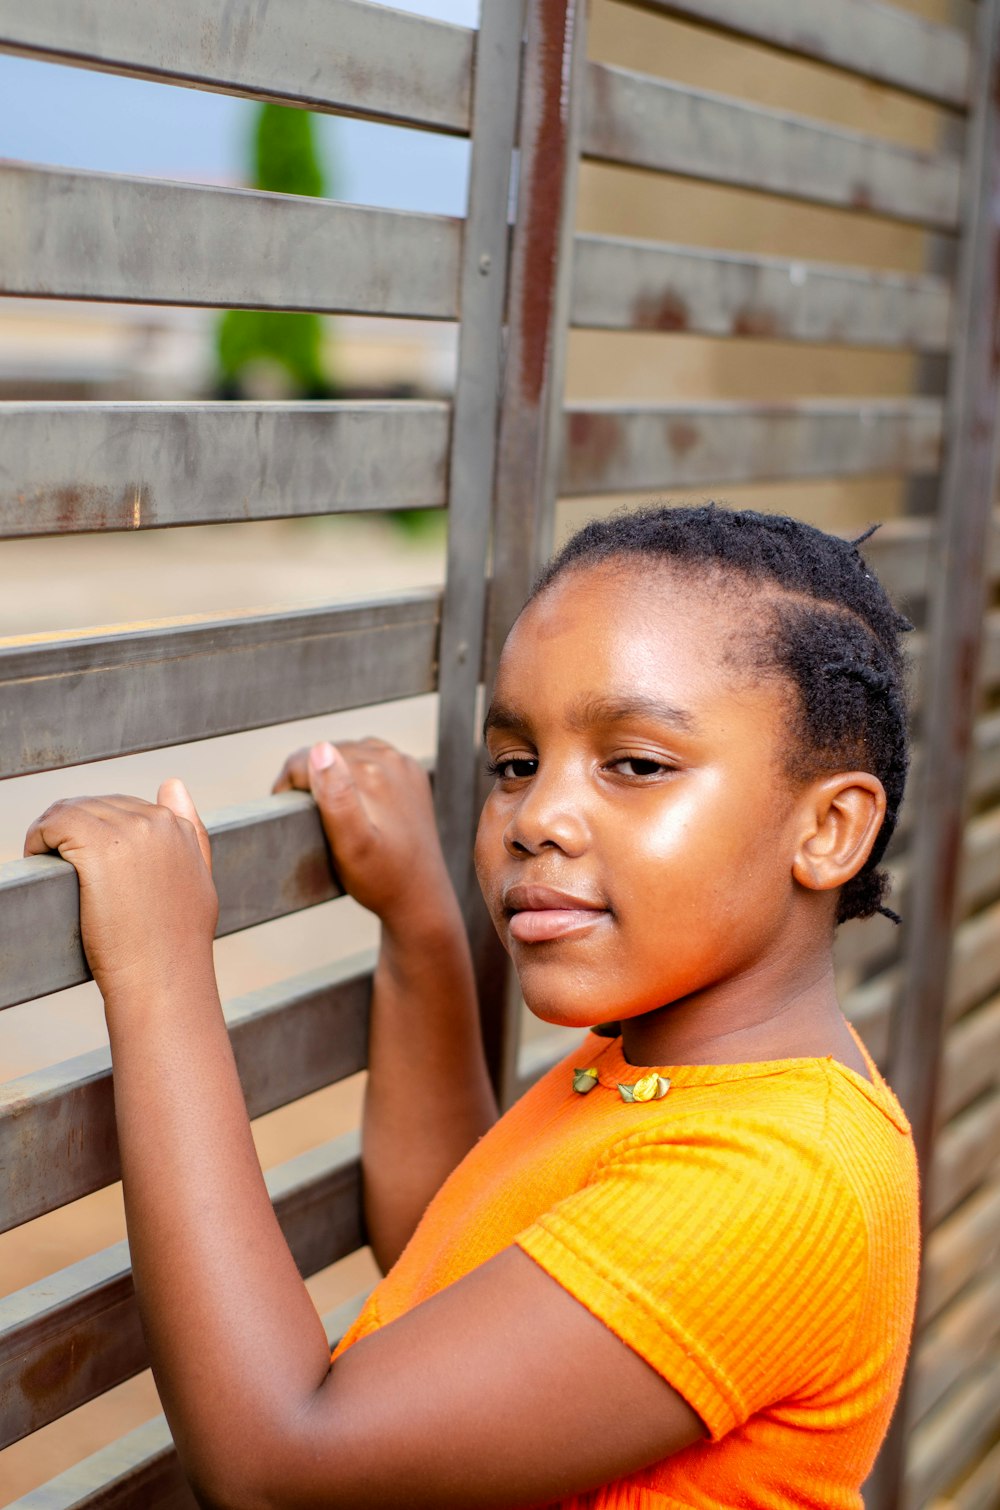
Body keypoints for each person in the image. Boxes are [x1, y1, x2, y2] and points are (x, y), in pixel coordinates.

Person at [25, 505, 920, 1509]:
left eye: (634, 763)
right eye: (515, 763)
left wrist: (159, 968)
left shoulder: (778, 1182)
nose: (536, 817)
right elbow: (448, 1255)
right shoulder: (666, 1074)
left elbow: (279, 1461)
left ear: (830, 828)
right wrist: (419, 917)